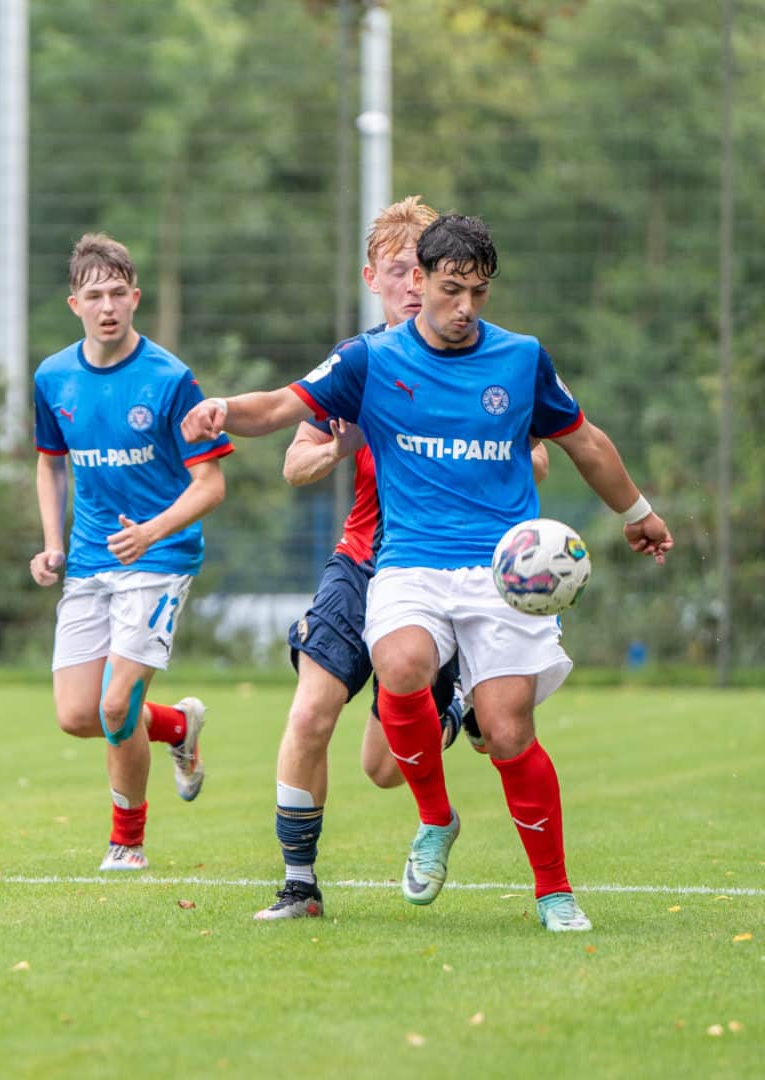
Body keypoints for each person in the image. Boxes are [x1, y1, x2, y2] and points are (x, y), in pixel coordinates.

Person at [181, 213, 672, 932]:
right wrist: (224, 409)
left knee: (507, 732)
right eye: (450, 289)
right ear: (419, 281)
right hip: (407, 565)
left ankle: (555, 892)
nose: (464, 306)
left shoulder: (522, 358)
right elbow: (283, 406)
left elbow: (584, 440)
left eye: (477, 291)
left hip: (500, 575)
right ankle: (435, 820)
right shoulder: (369, 359)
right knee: (400, 660)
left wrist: (637, 511)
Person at [256, 196, 549, 921]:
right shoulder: (356, 367)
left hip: (448, 572)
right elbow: (295, 465)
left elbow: (535, 457)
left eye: (427, 275)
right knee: (311, 712)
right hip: (363, 563)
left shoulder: (482, 359)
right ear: (375, 278)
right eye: (399, 273)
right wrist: (340, 444)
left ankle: (451, 705)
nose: (415, 288)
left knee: (383, 769)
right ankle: (299, 885)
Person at [30, 233, 233, 871]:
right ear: (74, 304)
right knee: (76, 715)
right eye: (95, 295)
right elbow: (49, 463)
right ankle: (177, 727)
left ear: (136, 297)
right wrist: (52, 544)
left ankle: (127, 843)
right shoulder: (53, 376)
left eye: (119, 293)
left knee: (117, 706)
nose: (108, 305)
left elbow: (212, 484)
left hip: (160, 559)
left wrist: (151, 531)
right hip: (90, 562)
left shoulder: (171, 379)